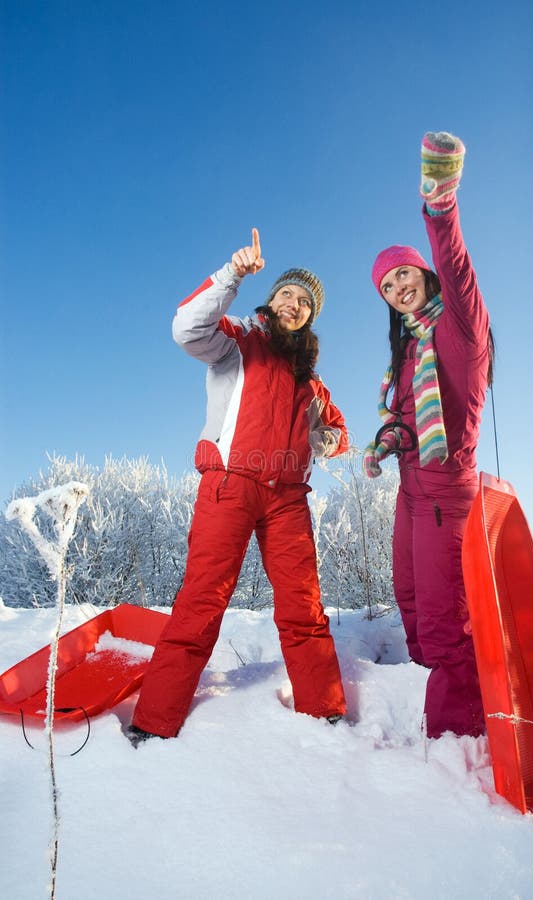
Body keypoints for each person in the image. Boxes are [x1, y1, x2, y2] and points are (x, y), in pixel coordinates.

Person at [128, 229, 348, 744]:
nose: (294, 305)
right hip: (230, 485)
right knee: (202, 600)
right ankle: (154, 722)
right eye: (287, 294)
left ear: (310, 318)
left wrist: (328, 438)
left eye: (305, 303)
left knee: (303, 604)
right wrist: (231, 274)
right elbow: (186, 327)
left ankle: (325, 713)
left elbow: (337, 434)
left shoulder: (310, 380)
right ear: (271, 299)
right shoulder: (237, 341)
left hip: (288, 499)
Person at [363, 132, 494, 740]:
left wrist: (441, 207)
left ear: (422, 270)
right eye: (386, 287)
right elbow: (410, 418)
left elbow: (457, 269)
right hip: (413, 492)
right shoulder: (413, 346)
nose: (397, 289)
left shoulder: (458, 329)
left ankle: (458, 739)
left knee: (445, 621)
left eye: (402, 276)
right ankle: (422, 701)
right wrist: (387, 440)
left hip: (447, 491)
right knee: (411, 600)